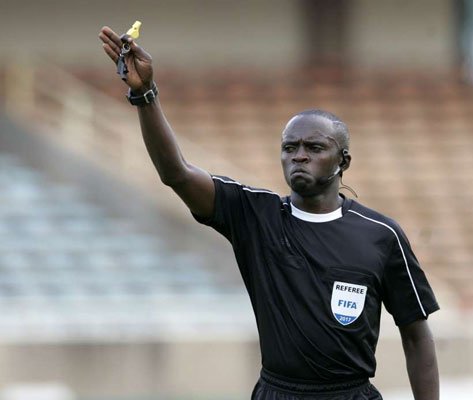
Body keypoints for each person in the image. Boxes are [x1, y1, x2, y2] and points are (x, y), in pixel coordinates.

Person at [98, 26, 440, 400]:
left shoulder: (380, 235)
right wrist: (144, 94)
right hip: (278, 392)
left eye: (314, 146)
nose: (299, 155)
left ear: (343, 161)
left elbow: (416, 335)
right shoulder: (254, 215)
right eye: (289, 147)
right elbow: (175, 172)